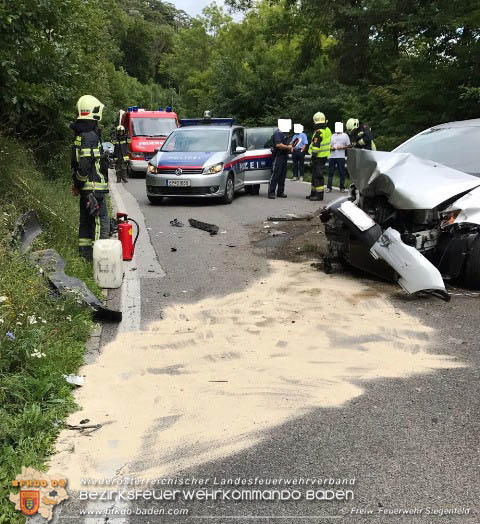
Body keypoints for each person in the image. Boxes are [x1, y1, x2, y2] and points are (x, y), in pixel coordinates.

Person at [71, 95, 110, 261]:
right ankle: (100, 261)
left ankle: (85, 258)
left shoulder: (80, 134)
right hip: (94, 188)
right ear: (94, 112)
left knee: (86, 223)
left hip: (86, 188)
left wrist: (78, 184)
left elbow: (78, 162)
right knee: (100, 223)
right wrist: (79, 184)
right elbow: (86, 164)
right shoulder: (90, 136)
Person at [307, 112, 332, 201]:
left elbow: (316, 147)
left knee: (317, 176)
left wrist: (312, 157)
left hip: (318, 156)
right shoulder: (327, 130)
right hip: (324, 156)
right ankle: (313, 193)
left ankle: (319, 195)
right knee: (315, 175)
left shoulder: (318, 133)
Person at [268, 119, 293, 199]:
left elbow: (287, 144)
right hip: (277, 156)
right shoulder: (277, 133)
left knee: (282, 175)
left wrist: (290, 147)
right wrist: (288, 147)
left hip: (284, 156)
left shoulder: (285, 134)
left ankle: (280, 192)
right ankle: (271, 192)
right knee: (275, 174)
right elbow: (278, 145)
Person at [327, 122, 350, 193]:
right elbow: (329, 145)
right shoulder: (332, 135)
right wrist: (331, 148)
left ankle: (342, 187)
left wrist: (342, 147)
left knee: (341, 172)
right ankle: (329, 187)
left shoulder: (345, 135)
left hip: (341, 156)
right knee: (330, 172)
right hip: (332, 156)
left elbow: (349, 146)